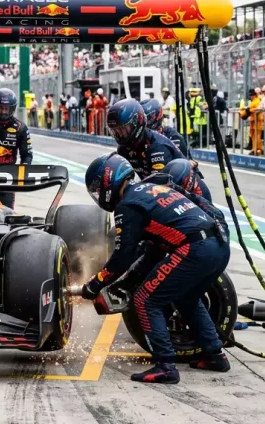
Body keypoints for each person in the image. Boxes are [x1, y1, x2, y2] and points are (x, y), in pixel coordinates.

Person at [81, 154, 230, 384]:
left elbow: (123, 256)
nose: (97, 193)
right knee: (187, 298)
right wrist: (123, 282)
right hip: (218, 246)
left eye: (97, 187)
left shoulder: (127, 205)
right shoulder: (149, 189)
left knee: (145, 300)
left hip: (196, 248)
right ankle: (215, 354)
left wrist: (95, 283)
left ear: (108, 182)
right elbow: (153, 252)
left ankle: (165, 366)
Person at [106, 99, 183, 179]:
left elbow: (159, 186)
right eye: (116, 131)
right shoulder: (123, 149)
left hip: (182, 188)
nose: (120, 135)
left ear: (135, 123)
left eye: (123, 129)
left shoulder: (157, 147)